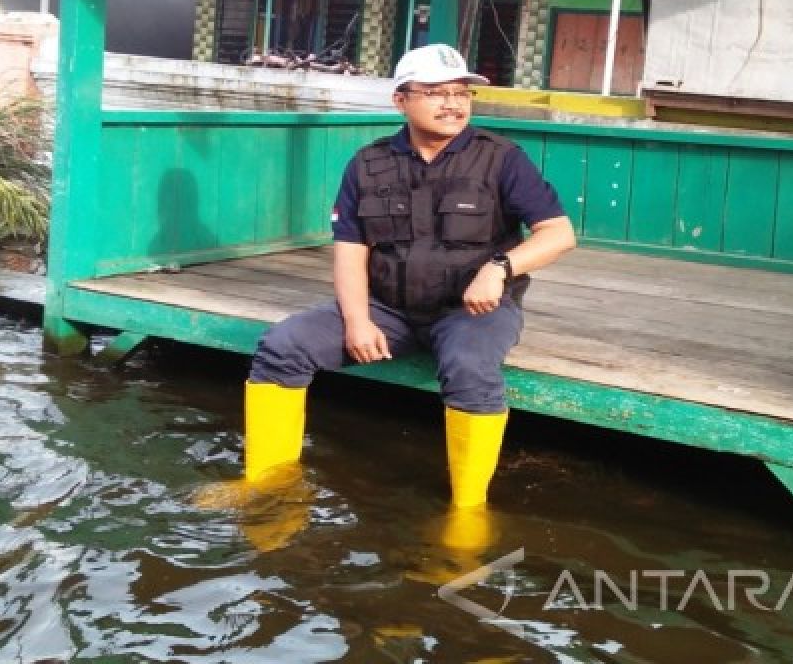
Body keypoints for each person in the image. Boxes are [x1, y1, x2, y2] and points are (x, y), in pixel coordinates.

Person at [241, 43, 576, 541]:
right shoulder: (367, 164)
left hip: (471, 310)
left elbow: (558, 233)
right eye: (436, 94)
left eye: (461, 93)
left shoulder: (502, 158)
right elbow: (351, 249)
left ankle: (467, 514)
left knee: (468, 368)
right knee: (282, 346)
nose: (453, 104)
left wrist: (500, 269)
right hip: (387, 308)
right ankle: (265, 486)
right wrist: (357, 320)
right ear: (401, 101)